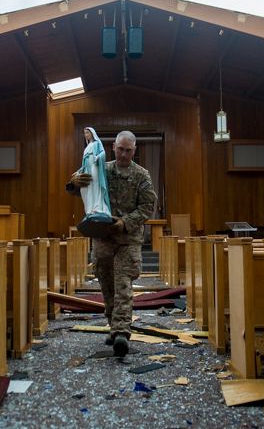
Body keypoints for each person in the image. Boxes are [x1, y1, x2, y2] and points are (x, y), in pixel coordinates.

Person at [66, 130, 157, 357]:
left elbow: (147, 207)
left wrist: (125, 222)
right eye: (120, 149)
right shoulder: (102, 168)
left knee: (123, 284)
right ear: (113, 147)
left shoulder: (141, 175)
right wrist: (74, 182)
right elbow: (82, 185)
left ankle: (121, 333)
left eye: (128, 150)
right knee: (107, 285)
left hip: (128, 239)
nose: (124, 154)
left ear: (134, 151)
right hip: (103, 237)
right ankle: (113, 326)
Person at [78, 127, 111, 218]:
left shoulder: (96, 143)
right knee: (87, 187)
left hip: (94, 165)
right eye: (85, 133)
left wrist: (98, 157)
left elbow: (103, 153)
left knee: (96, 184)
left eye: (87, 133)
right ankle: (90, 208)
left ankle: (98, 207)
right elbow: (84, 160)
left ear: (92, 133)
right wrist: (82, 169)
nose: (86, 135)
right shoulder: (87, 146)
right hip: (87, 167)